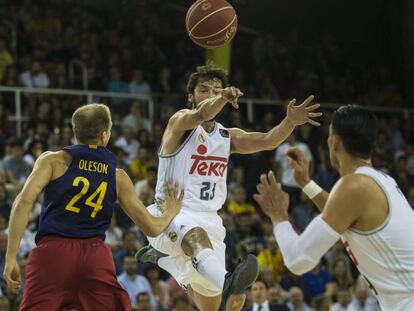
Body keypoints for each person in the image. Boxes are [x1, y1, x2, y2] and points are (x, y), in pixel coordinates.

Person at [136, 63, 322, 311]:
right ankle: (225, 280)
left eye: (217, 89)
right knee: (204, 251)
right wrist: (223, 96)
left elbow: (268, 141)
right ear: (190, 96)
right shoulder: (179, 122)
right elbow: (201, 114)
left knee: (210, 305)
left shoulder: (227, 136)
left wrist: (289, 122)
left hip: (210, 219)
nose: (211, 94)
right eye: (204, 90)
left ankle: (167, 261)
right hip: (171, 212)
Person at [3, 104, 183, 311]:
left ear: (75, 132)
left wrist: (10, 258)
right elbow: (152, 227)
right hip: (94, 256)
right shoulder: (118, 176)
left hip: (52, 253)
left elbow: (22, 202)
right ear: (105, 135)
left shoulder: (53, 161)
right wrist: (171, 208)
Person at [253, 105, 414, 311]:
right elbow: (343, 213)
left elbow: (298, 260)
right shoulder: (382, 179)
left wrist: (278, 217)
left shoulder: (353, 186)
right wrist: (306, 183)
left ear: (334, 142)